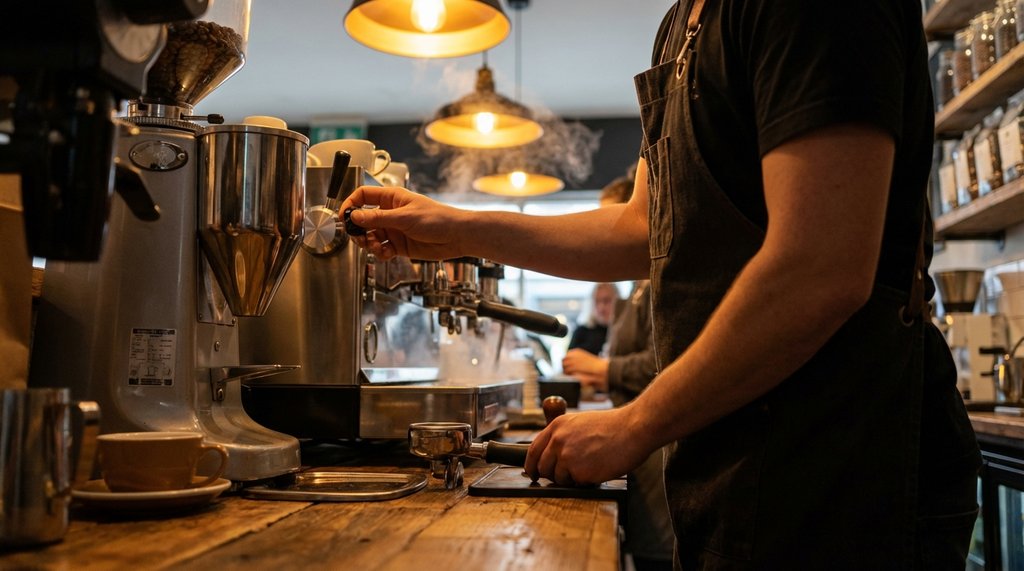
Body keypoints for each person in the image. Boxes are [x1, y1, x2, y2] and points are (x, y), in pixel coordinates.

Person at [341, 0, 981, 567]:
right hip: (727, 462)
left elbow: (822, 265)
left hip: (841, 473)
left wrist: (634, 424)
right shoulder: (681, 28)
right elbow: (641, 228)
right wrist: (454, 229)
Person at [563, 173, 673, 571]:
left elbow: (664, 364)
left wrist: (603, 369)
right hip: (639, 451)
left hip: (657, 450)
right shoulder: (637, 288)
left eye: (612, 216)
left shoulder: (660, 281)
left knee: (657, 556)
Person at [566, 282, 619, 356]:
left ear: (618, 300)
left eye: (606, 301)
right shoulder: (581, 332)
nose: (601, 308)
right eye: (597, 301)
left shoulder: (623, 332)